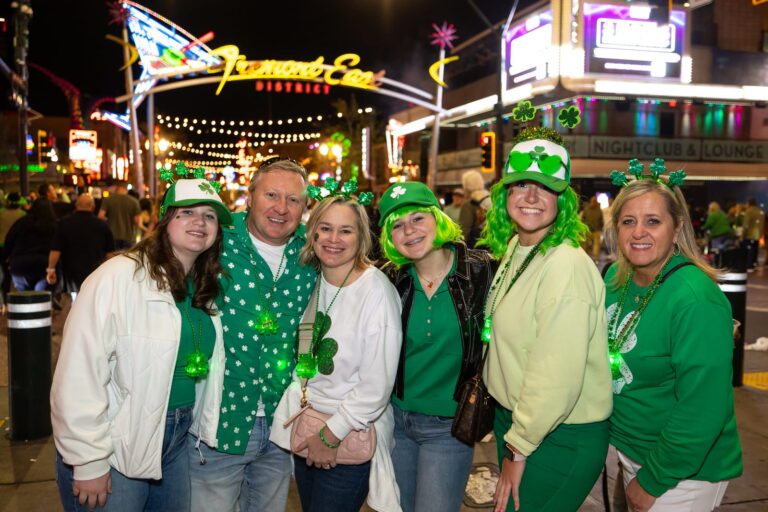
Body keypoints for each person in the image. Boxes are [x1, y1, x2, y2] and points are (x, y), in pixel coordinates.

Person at [51, 175, 232, 512]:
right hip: (117, 443)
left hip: (176, 440)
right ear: (164, 220)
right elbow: (78, 371)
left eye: (209, 216)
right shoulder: (119, 276)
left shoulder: (205, 286)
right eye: (187, 213)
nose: (199, 222)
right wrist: (88, 460)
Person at [480, 127, 612, 512]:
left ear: (564, 201)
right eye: (521, 184)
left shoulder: (565, 264)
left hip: (558, 435)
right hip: (520, 424)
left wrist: (518, 448)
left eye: (546, 187)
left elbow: (556, 374)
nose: (532, 197)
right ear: (504, 194)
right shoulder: (518, 249)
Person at [603, 171, 742, 512]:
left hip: (681, 472)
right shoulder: (614, 278)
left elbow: (702, 408)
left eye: (653, 221)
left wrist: (653, 479)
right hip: (625, 450)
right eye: (628, 221)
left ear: (677, 227)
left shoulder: (695, 300)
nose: (638, 233)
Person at [188, 158, 317, 512]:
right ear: (249, 197)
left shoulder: (314, 251)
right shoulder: (214, 244)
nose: (281, 208)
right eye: (271, 195)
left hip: (281, 427)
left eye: (294, 200)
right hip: (219, 426)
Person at [271, 191, 402, 512]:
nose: (333, 239)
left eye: (346, 230)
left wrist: (330, 436)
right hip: (309, 427)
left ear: (362, 238)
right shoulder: (315, 280)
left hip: (344, 435)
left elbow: (376, 387)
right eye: (325, 228)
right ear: (312, 232)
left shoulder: (375, 292)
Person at [377, 181, 496, 512]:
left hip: (450, 426)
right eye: (397, 225)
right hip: (395, 420)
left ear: (438, 219)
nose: (409, 231)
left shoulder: (483, 270)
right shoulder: (388, 279)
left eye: (418, 219)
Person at [46, 194, 115, 301]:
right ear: (92, 206)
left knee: (76, 300)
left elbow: (56, 249)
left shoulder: (63, 223)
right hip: (95, 271)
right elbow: (110, 253)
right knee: (94, 300)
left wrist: (51, 269)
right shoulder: (102, 225)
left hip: (71, 273)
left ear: (76, 205)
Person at [1, 197, 57, 291]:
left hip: (20, 266)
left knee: (25, 298)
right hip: (44, 266)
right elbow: (59, 247)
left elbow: (9, 241)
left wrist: (6, 259)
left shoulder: (21, 222)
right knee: (42, 299)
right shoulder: (54, 225)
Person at [98, 181, 141, 250]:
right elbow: (137, 222)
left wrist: (109, 220)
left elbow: (100, 216)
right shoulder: (134, 201)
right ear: (125, 188)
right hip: (129, 236)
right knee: (126, 258)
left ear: (117, 188)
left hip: (112, 236)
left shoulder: (108, 199)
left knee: (112, 257)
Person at [458, 170, 488, 247]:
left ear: (466, 186)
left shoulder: (469, 203)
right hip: (493, 245)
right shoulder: (490, 199)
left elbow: (464, 232)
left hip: (476, 248)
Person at [742, 197, 764, 270]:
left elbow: (746, 225)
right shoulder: (760, 211)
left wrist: (742, 235)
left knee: (749, 250)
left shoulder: (749, 211)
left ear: (749, 203)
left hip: (750, 234)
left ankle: (749, 266)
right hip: (758, 235)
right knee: (755, 250)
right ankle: (754, 264)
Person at [581, 195, 604, 263]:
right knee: (586, 245)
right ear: (590, 202)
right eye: (592, 201)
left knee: (596, 245)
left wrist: (600, 228)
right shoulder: (586, 209)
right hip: (587, 230)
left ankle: (596, 258)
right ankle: (585, 258)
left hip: (596, 230)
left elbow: (601, 220)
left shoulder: (599, 210)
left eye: (595, 201)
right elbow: (583, 219)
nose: (593, 203)